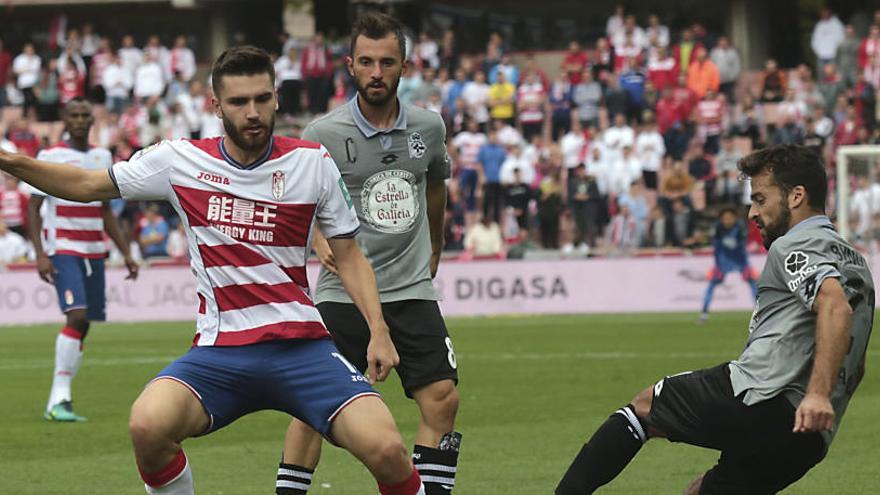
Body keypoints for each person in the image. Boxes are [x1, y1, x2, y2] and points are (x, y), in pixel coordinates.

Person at [0, 45, 428, 495]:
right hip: (221, 351)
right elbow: (87, 185)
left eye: (262, 99)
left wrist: (377, 328)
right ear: (216, 106)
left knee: (388, 452)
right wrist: (10, 161)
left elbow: (349, 254)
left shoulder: (311, 162)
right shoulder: (179, 161)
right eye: (239, 102)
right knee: (147, 425)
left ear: (277, 98)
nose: (253, 112)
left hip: (303, 348)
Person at [556, 144, 874, 494]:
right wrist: (820, 405)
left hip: (763, 399)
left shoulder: (794, 245)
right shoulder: (858, 268)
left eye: (761, 199)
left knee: (646, 408)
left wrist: (816, 396)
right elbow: (854, 364)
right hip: (808, 441)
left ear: (796, 196)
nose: (752, 212)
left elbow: (834, 307)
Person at [277, 13, 461, 495]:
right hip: (344, 291)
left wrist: (436, 246)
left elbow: (436, 187)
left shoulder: (429, 126)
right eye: (366, 62)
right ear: (350, 66)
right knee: (313, 407)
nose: (376, 72)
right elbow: (297, 202)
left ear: (404, 66)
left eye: (387, 62)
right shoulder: (323, 133)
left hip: (410, 287)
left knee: (442, 397)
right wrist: (316, 238)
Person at [25, 98, 138, 422]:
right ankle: (57, 399)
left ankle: (62, 399)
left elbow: (105, 210)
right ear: (64, 118)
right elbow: (33, 206)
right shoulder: (50, 156)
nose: (78, 120)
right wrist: (40, 253)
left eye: (84, 115)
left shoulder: (102, 157)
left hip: (94, 252)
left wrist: (127, 252)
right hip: (64, 249)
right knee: (76, 316)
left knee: (84, 322)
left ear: (91, 121)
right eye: (73, 114)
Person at [699, 207, 758, 323]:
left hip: (740, 260)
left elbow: (742, 248)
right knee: (711, 285)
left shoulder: (740, 227)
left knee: (753, 285)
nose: (727, 220)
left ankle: (759, 314)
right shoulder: (717, 228)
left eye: (730, 218)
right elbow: (717, 249)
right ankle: (704, 314)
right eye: (725, 218)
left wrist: (745, 266)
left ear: (735, 218)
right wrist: (718, 266)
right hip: (723, 261)